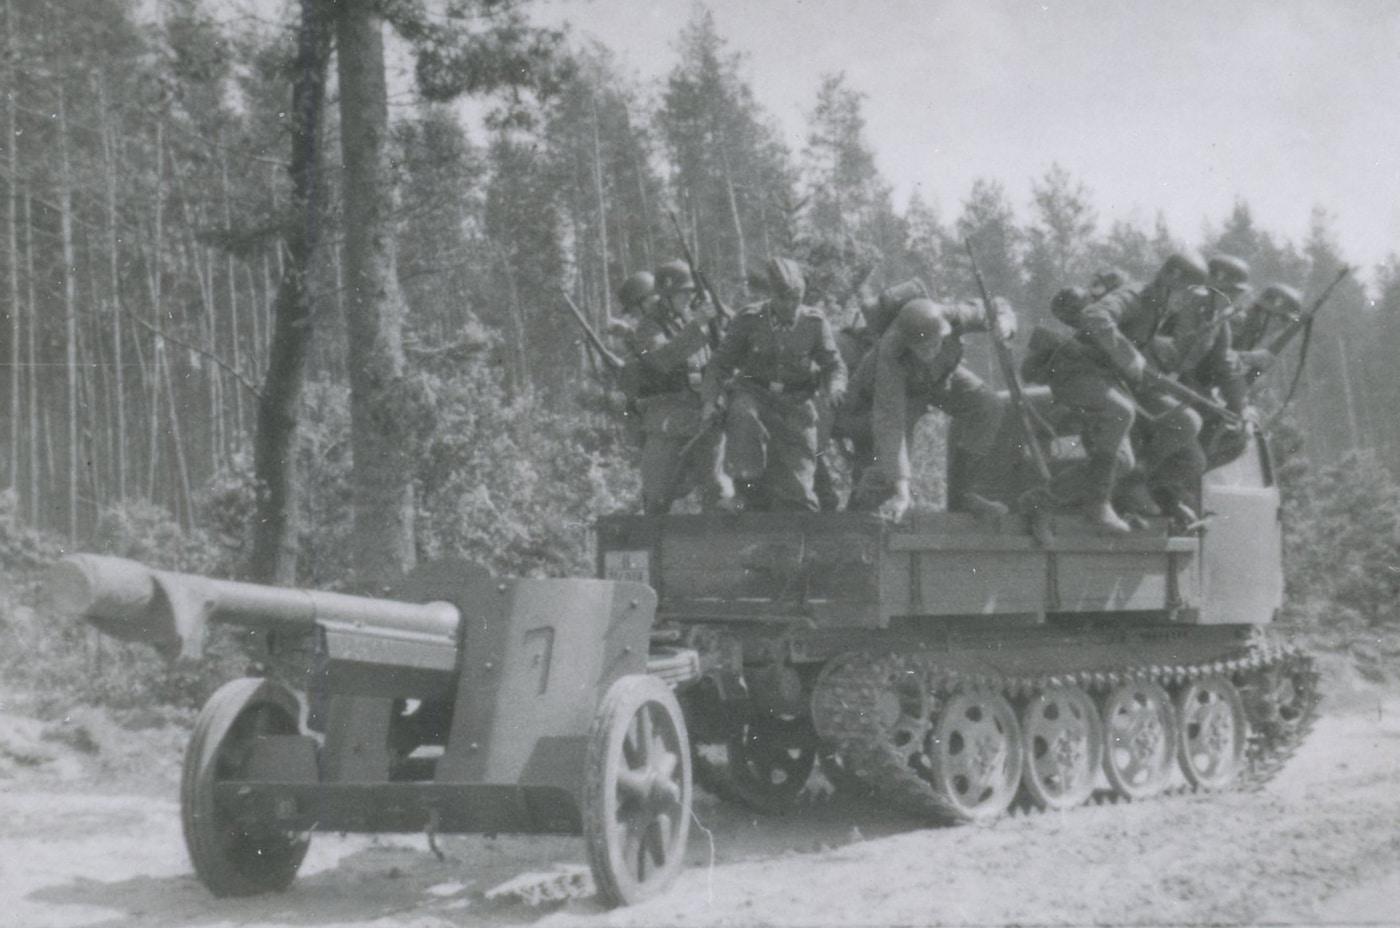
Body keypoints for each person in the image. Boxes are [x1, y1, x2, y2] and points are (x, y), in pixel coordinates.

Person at [1039, 253, 1210, 532]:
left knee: (1183, 424)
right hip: (1077, 371)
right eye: (1187, 292)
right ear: (1171, 279)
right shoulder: (1137, 294)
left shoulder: (1158, 309)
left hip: (1112, 380)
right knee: (1121, 413)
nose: (1188, 299)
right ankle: (1096, 503)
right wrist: (1129, 357)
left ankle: (1134, 482)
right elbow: (1094, 315)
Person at [841, 296, 1016, 523]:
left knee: (988, 405)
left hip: (937, 380)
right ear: (909, 343)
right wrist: (902, 490)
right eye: (924, 348)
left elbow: (995, 306)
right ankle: (855, 520)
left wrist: (1005, 324)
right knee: (887, 471)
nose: (932, 350)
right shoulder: (891, 353)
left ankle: (962, 496)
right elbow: (891, 423)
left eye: (937, 343)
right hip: (898, 397)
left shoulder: (951, 315)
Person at [701, 257, 847, 512]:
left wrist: (835, 387)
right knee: (743, 415)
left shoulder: (814, 323)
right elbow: (719, 364)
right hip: (754, 393)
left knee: (799, 497)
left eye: (796, 299)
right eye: (783, 299)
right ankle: (744, 492)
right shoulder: (749, 319)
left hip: (795, 405)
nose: (790, 305)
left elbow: (833, 365)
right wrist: (709, 401)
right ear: (772, 295)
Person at [622, 261, 732, 514]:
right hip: (668, 419)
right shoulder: (648, 327)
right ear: (667, 296)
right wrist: (698, 325)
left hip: (705, 416)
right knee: (657, 497)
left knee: (720, 493)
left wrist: (721, 322)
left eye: (691, 293)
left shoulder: (691, 320)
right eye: (683, 293)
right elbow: (664, 359)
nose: (689, 298)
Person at [1232, 283, 1303, 382]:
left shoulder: (1258, 333)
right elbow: (1216, 356)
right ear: (1264, 313)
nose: (1284, 325)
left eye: (1287, 321)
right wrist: (1250, 358)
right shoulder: (1237, 323)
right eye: (1282, 318)